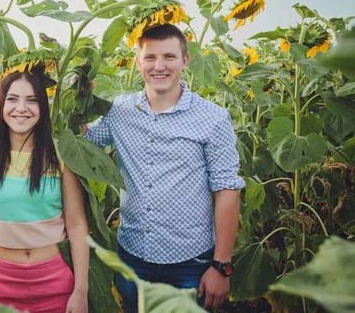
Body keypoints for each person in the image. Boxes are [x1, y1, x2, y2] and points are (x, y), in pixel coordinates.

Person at [84, 23, 244, 311]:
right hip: (133, 258)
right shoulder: (120, 111)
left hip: (192, 263)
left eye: (169, 57)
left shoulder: (212, 118)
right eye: (150, 58)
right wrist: (80, 98)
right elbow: (84, 144)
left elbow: (226, 190)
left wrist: (221, 266)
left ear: (184, 61)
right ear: (138, 62)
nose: (159, 66)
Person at [0, 66, 90, 313]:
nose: (21, 108)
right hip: (1, 285)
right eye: (12, 99)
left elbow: (77, 225)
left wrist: (81, 291)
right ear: (0, 105)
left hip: (55, 283)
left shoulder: (61, 156)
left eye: (31, 100)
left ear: (42, 108)